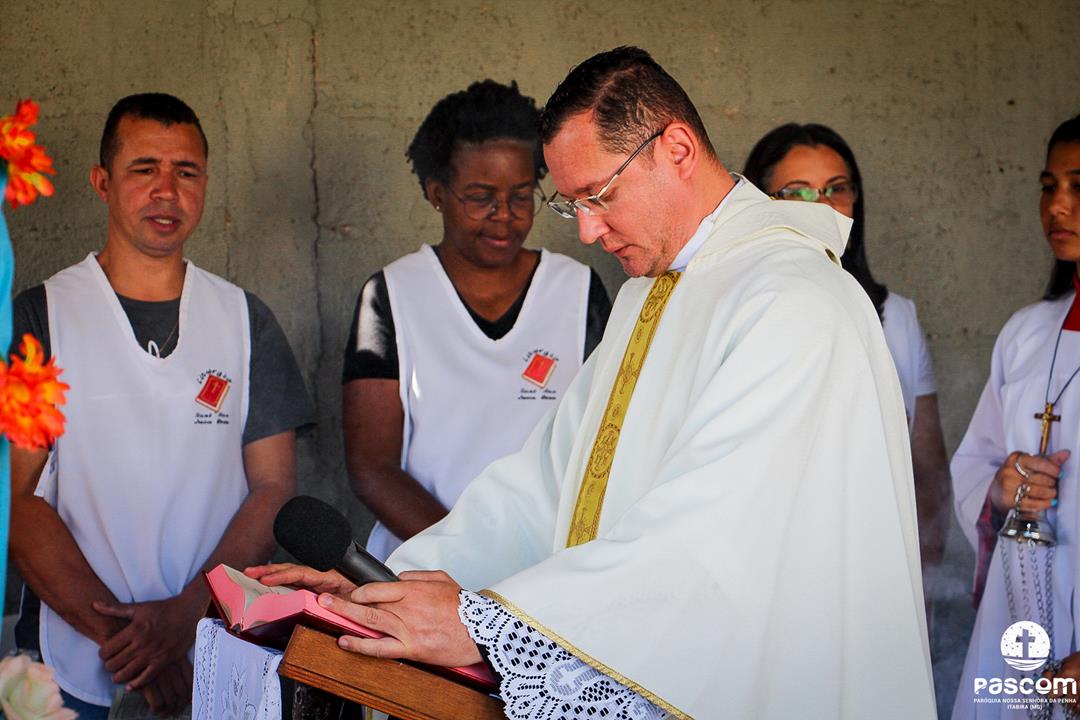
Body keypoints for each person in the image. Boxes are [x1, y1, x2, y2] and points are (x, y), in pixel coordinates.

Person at [250, 46, 934, 719]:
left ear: (676, 149)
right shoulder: (650, 294)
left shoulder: (795, 301)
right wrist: (387, 585)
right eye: (569, 203)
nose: (585, 230)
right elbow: (546, 487)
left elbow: (712, 545)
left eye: (599, 196)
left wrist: (484, 625)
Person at [9, 93, 314, 718]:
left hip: (214, 647)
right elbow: (15, 497)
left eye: (187, 172)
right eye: (144, 169)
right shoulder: (43, 316)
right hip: (72, 661)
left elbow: (273, 488)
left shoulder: (244, 320)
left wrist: (186, 617)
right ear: (102, 182)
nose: (167, 191)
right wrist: (130, 644)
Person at [342, 80, 610, 561]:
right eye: (480, 196)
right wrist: (467, 554)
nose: (503, 215)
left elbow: (604, 443)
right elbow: (372, 467)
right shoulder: (392, 294)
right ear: (437, 194)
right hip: (423, 566)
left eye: (521, 195)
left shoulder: (577, 290)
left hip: (544, 569)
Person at [742, 123, 951, 612]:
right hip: (771, 586)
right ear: (761, 204)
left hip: (876, 581)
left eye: (836, 188)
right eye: (798, 193)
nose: (823, 207)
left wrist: (921, 581)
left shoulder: (897, 317)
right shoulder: (741, 314)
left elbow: (927, 474)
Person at [951, 115, 1080, 718]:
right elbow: (972, 463)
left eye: (1079, 186)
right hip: (1020, 619)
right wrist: (1001, 490)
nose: (1058, 206)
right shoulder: (1027, 333)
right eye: (1048, 186)